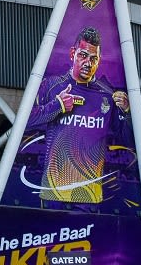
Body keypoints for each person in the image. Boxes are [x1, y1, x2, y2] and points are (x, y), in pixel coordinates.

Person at [26, 26, 133, 208]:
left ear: (99, 61)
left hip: (88, 196)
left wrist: (126, 112)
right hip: (54, 192)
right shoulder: (51, 85)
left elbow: (126, 139)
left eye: (93, 58)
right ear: (72, 54)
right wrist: (57, 106)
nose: (88, 63)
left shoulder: (108, 94)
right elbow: (26, 121)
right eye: (83, 55)